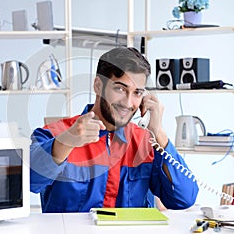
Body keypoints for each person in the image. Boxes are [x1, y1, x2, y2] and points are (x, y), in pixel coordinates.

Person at [29, 47, 199, 213]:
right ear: (98, 85)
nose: (128, 102)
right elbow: (29, 181)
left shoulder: (147, 142)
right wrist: (65, 142)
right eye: (120, 89)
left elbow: (183, 199)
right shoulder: (56, 134)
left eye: (137, 93)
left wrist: (159, 133)